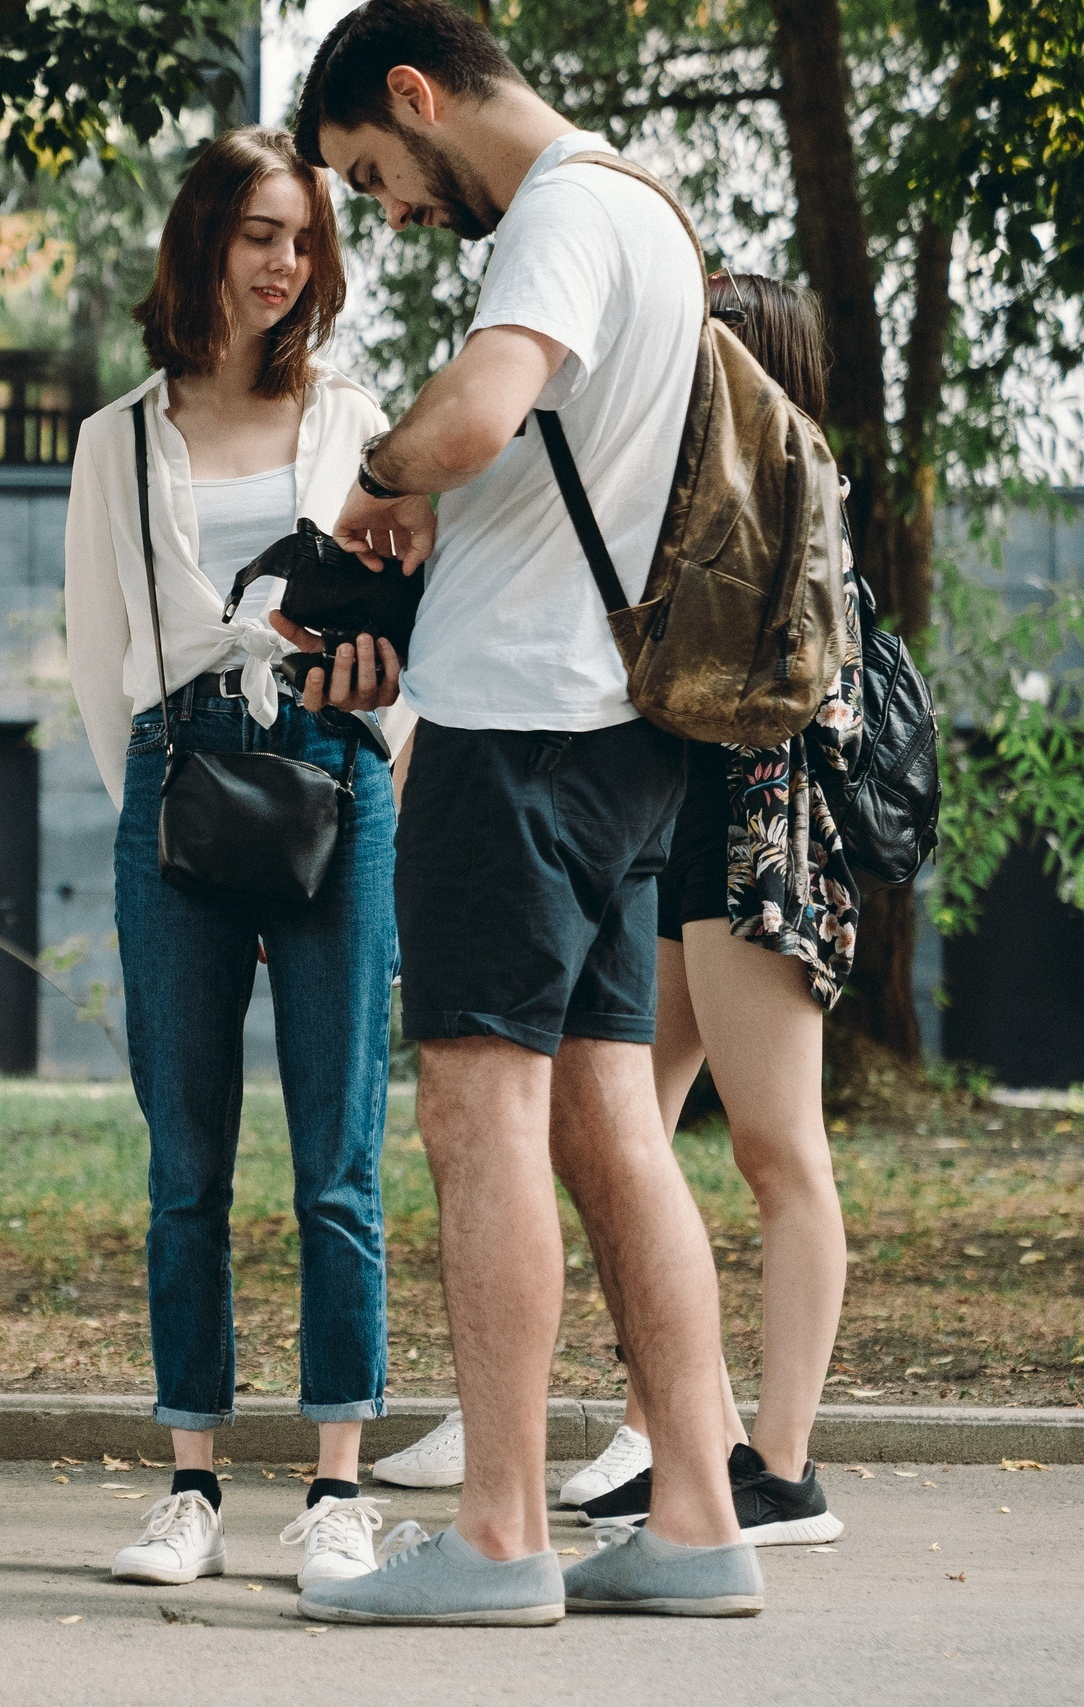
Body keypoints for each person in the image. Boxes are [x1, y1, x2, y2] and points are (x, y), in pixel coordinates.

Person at [290, 0, 762, 1623]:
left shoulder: (558, 212)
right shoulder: (652, 212)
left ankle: (498, 1534)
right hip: (626, 736)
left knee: (476, 1119)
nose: (396, 209)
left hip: (521, 744)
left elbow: (478, 417)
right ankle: (698, 1516)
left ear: (417, 95)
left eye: (376, 168)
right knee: (612, 1125)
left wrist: (377, 477)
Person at [65, 125, 404, 1595]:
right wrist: (159, 796)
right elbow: (99, 662)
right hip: (178, 785)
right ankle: (189, 1476)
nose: (287, 263)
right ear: (203, 240)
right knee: (184, 1155)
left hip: (339, 778)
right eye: (262, 232)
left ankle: (337, 1488)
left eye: (306, 238)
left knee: (337, 1153)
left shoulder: (361, 418)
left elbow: (406, 632)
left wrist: (378, 730)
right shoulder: (116, 437)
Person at [575, 274, 861, 1547]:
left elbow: (804, 683)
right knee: (620, 1141)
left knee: (776, 1150)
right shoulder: (702, 488)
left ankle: (782, 1470)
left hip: (765, 836)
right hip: (688, 833)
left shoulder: (800, 485)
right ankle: (684, 1441)